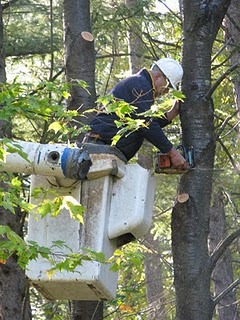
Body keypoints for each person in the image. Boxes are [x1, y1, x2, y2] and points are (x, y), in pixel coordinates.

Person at [83, 58, 188, 169]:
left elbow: (142, 123)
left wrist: (172, 113)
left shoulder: (140, 83)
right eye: (167, 87)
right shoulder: (141, 85)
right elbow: (147, 125)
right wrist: (173, 154)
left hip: (105, 149)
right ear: (158, 77)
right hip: (100, 147)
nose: (165, 92)